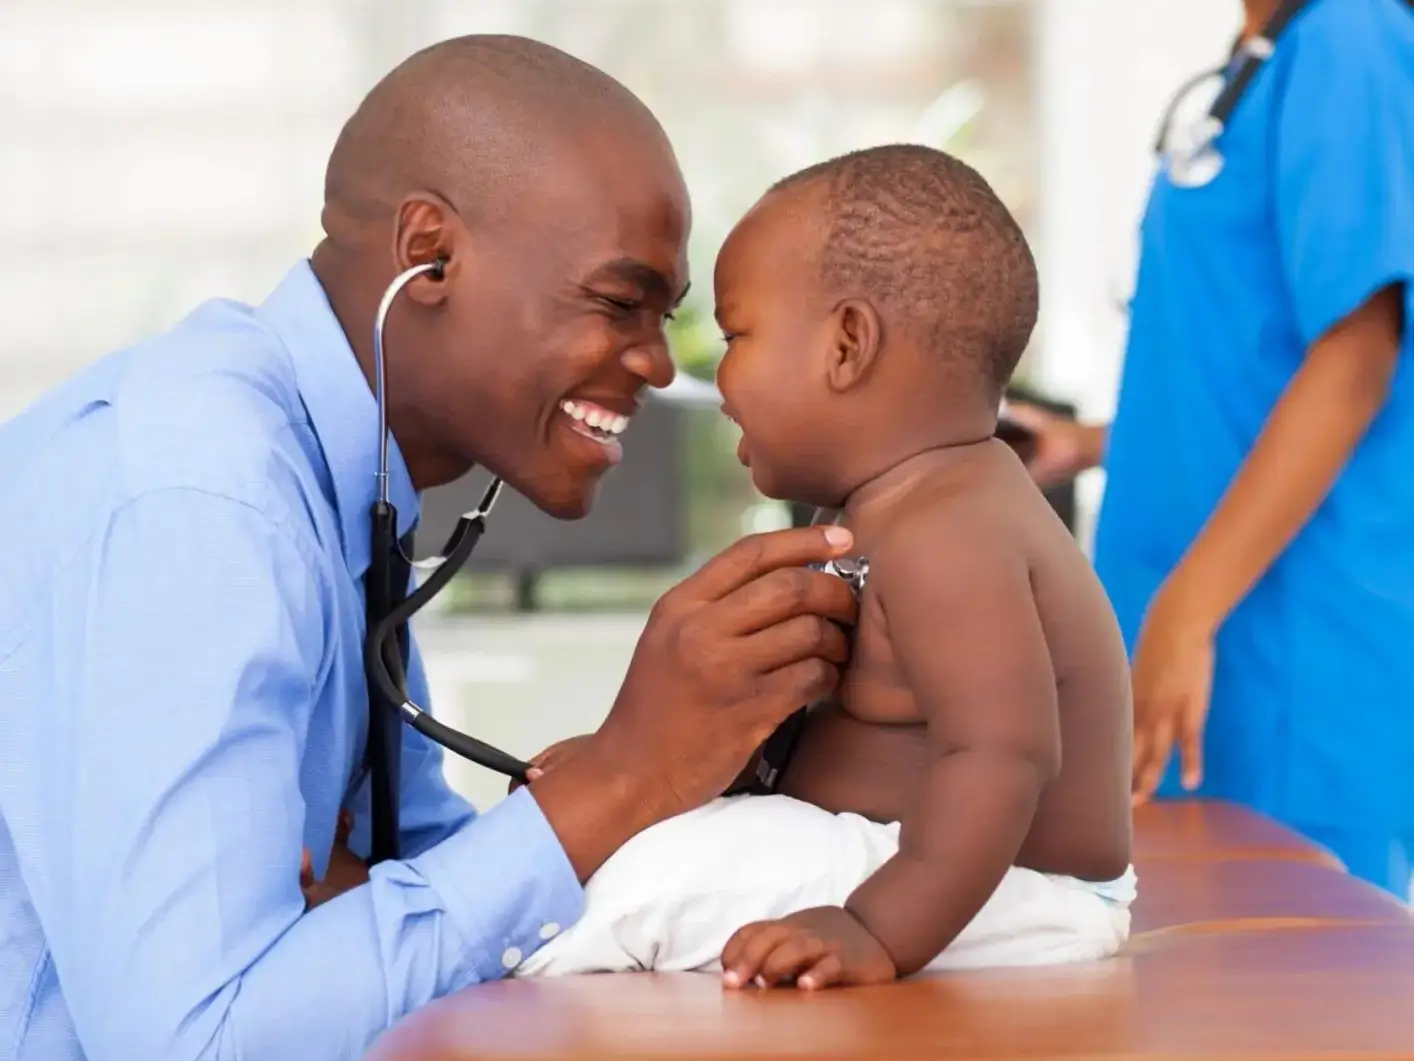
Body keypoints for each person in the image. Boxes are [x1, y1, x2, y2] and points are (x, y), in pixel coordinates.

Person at [0, 37, 862, 1061]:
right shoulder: (199, 505)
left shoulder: (343, 484)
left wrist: (643, 784)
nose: (650, 357)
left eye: (663, 316)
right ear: (431, 255)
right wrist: (622, 778)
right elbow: (203, 1052)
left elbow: (400, 882)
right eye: (616, 301)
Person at [507, 145, 1136, 987]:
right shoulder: (884, 509)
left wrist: (874, 928)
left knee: (635, 889)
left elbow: (1003, 758)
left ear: (846, 345)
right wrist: (628, 779)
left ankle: (457, 962)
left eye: (735, 336)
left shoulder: (951, 534)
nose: (715, 378)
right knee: (637, 846)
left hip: (996, 889)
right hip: (916, 863)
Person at [1007, 0, 1414, 895]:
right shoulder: (1263, 58)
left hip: (1289, 642)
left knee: (1306, 993)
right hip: (1205, 630)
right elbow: (1250, 359)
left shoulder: (1348, 34)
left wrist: (1186, 615)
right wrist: (1093, 443)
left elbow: (1356, 355)